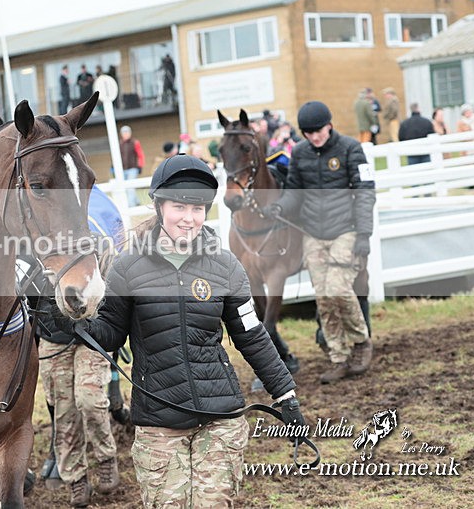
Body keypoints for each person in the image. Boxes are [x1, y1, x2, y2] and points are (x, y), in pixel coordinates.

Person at [61, 155, 305, 508]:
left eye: (198, 209)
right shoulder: (127, 268)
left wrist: (286, 396)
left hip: (220, 418)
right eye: (179, 207)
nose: (189, 219)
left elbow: (252, 335)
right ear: (159, 206)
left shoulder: (225, 266)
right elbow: (111, 333)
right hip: (159, 422)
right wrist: (74, 317)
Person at [263, 101, 376, 384]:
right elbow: (294, 193)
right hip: (313, 235)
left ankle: (361, 342)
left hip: (345, 230)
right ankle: (339, 357)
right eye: (308, 132)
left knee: (338, 288)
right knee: (324, 299)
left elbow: (365, 192)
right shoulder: (299, 153)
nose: (314, 137)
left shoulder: (351, 149)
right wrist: (279, 207)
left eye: (318, 131)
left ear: (330, 124)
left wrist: (364, 235)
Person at [35, 261, 120, 507]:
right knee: (64, 412)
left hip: (90, 333)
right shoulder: (35, 249)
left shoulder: (92, 245)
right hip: (52, 338)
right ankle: (76, 478)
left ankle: (106, 457)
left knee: (89, 398)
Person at [119, 125, 145, 206]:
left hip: (133, 168)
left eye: (127, 132)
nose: (126, 134)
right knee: (127, 188)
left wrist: (140, 165)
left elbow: (140, 154)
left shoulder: (135, 142)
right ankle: (137, 202)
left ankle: (131, 205)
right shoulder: (119, 144)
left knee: (130, 187)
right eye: (124, 132)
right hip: (123, 169)